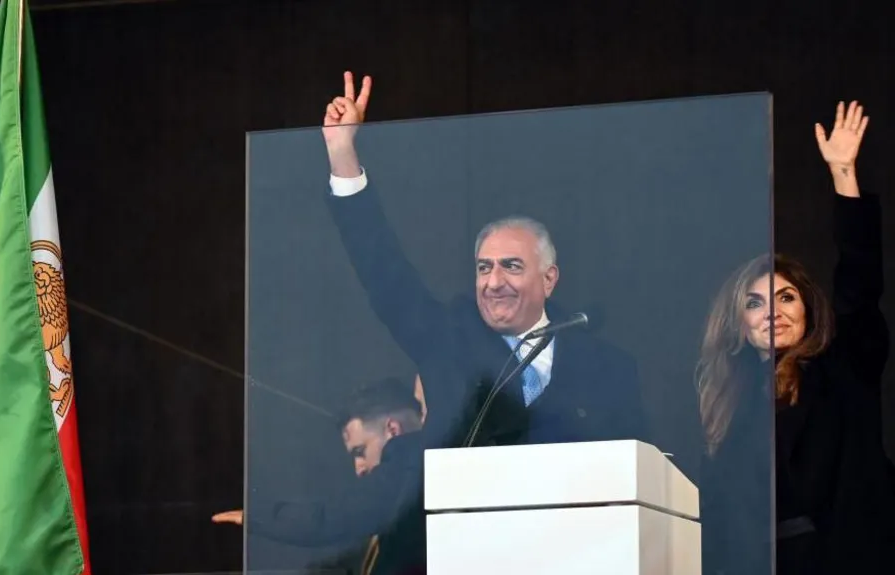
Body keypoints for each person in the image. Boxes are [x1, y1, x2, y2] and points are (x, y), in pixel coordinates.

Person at [319, 71, 649, 450]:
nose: (493, 282)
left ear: (549, 278)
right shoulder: (448, 341)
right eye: (483, 267)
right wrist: (342, 152)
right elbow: (383, 272)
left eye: (511, 266)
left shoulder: (608, 368)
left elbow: (639, 472)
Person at [696, 101, 895, 574]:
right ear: (738, 325)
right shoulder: (730, 401)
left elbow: (859, 285)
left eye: (786, 298)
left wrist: (843, 174)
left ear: (808, 309)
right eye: (754, 303)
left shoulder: (845, 363)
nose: (772, 313)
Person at [213, 378, 427, 575]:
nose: (358, 469)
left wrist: (259, 517)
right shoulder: (412, 487)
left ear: (392, 430)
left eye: (360, 451)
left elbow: (328, 518)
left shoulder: (410, 474)